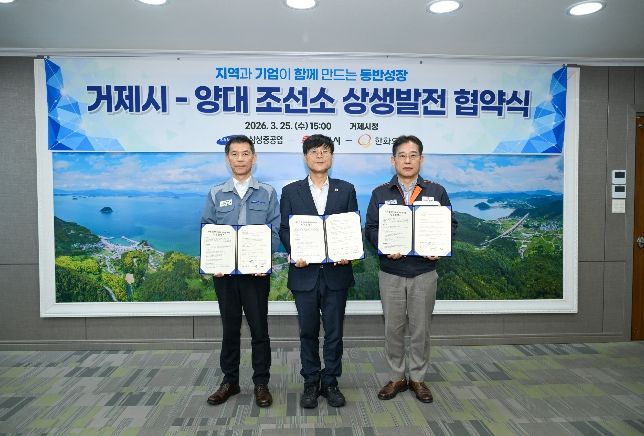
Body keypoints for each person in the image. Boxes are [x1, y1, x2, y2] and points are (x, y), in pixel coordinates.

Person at [365, 135, 457, 404]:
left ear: (421, 159)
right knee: (392, 329)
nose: (407, 160)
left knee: (420, 329)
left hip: (423, 273)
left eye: (413, 155)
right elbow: (371, 228)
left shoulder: (436, 191)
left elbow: (450, 225)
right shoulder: (380, 193)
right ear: (393, 160)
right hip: (391, 272)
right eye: (402, 156)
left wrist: (439, 245)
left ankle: (417, 377)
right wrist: (384, 245)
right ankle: (396, 377)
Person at [279, 134, 358, 409]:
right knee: (308, 332)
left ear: (332, 156)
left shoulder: (346, 190)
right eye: (314, 151)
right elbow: (285, 229)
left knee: (334, 333)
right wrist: (296, 252)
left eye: (325, 150)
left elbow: (351, 227)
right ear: (305, 157)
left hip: (337, 274)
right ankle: (311, 382)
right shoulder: (291, 191)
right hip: (304, 274)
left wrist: (348, 251)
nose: (320, 155)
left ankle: (331, 382)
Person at [202, 135, 281, 408]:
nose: (240, 159)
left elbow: (275, 230)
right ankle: (230, 381)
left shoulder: (267, 192)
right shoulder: (216, 193)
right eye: (234, 154)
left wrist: (262, 260)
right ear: (228, 159)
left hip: (256, 275)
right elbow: (208, 228)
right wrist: (214, 262)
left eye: (245, 153)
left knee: (259, 330)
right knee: (230, 329)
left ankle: (261, 383)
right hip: (225, 276)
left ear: (254, 158)